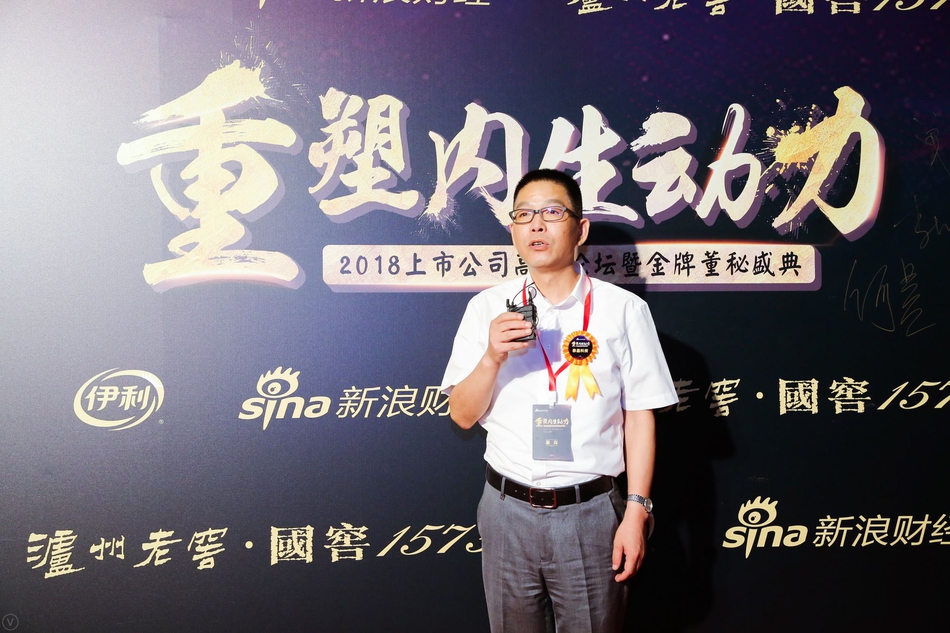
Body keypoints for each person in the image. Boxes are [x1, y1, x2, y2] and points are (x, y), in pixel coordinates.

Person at [441, 168, 678, 633]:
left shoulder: (624, 310)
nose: (536, 224)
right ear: (513, 230)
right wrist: (491, 357)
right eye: (523, 215)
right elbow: (462, 416)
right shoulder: (486, 307)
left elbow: (640, 416)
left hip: (591, 514)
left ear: (580, 229)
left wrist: (637, 510)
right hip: (505, 510)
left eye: (552, 212)